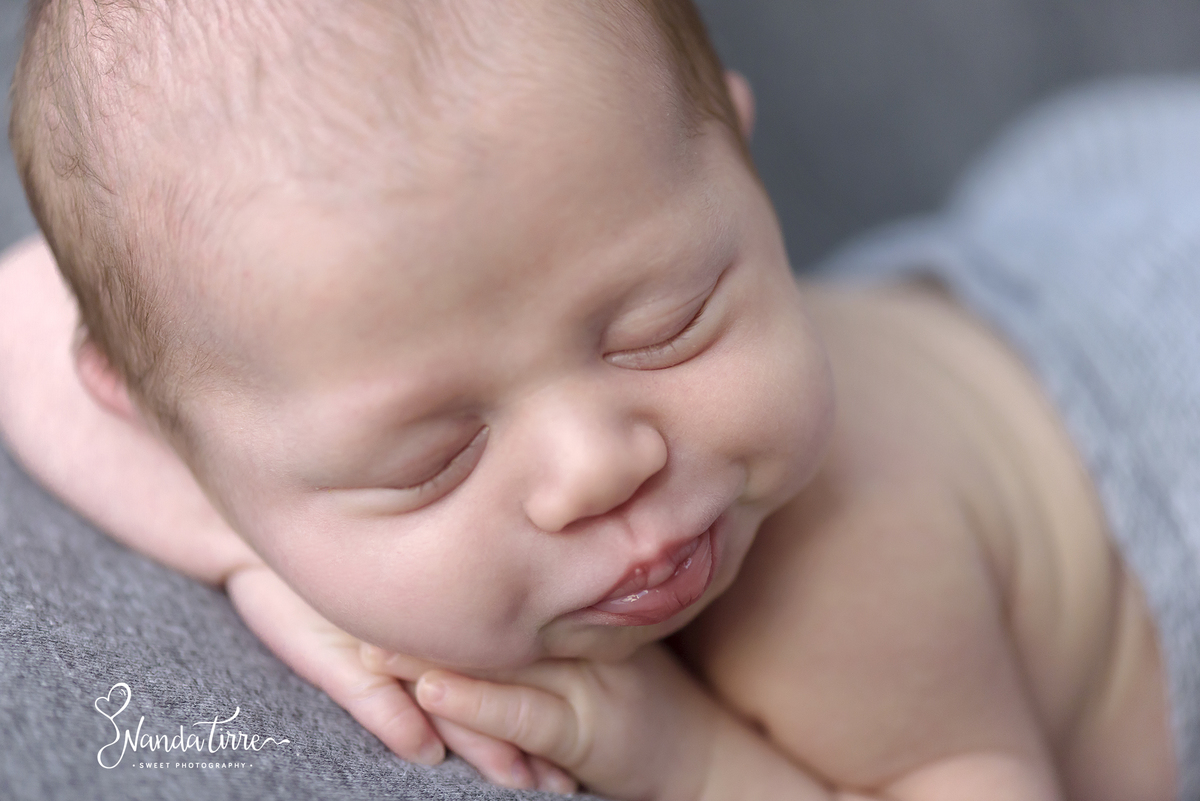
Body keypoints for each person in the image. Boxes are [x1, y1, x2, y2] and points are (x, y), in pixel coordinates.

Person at [0, 0, 1189, 798]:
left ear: (744, 162)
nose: (598, 466)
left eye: (666, 326)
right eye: (433, 458)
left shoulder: (847, 575)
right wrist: (252, 544)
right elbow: (19, 319)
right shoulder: (256, 350)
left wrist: (686, 758)